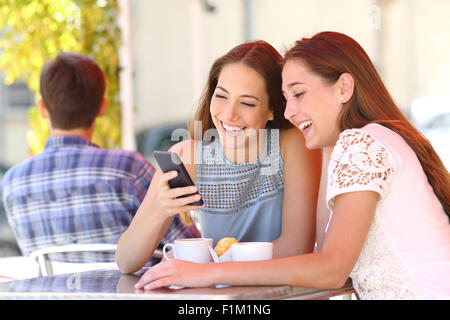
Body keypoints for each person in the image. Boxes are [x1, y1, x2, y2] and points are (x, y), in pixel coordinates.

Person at [133, 32, 450, 299]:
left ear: (343, 88)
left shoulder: (362, 145)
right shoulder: (356, 143)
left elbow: (330, 269)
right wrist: (323, 144)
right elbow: (326, 254)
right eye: (286, 99)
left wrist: (206, 272)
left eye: (299, 94)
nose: (291, 112)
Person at [116, 40, 322, 273]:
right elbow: (126, 261)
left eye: (247, 102)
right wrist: (158, 210)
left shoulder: (291, 144)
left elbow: (297, 249)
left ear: (272, 109)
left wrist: (208, 268)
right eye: (221, 96)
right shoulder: (188, 156)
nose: (229, 113)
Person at [2, 52, 200, 264]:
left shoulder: (13, 182)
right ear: (102, 107)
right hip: (126, 295)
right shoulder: (128, 168)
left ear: (42, 108)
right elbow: (189, 246)